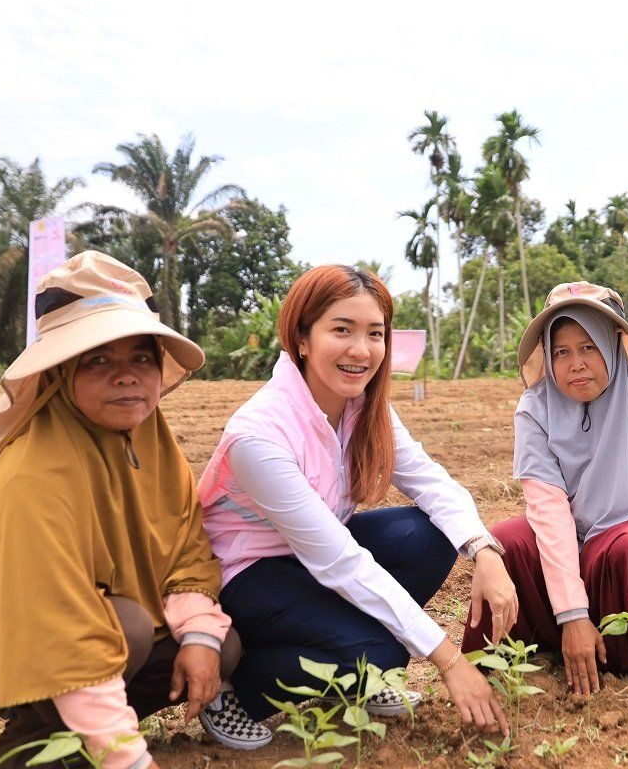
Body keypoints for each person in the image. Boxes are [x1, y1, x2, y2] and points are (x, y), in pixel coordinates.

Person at [0, 251, 270, 769]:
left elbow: (190, 553)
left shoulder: (155, 443)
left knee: (219, 642)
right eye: (99, 359)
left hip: (94, 639)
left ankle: (80, 733)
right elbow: (59, 623)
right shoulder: (37, 470)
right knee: (129, 628)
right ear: (62, 373)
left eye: (140, 358)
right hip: (20, 642)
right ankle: (31, 750)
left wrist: (200, 639)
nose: (126, 377)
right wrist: (130, 759)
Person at [197, 264, 517, 741]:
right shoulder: (259, 435)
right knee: (381, 654)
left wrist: (484, 550)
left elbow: (430, 479)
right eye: (341, 330)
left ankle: (338, 664)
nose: (361, 350)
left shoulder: (364, 406)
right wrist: (448, 659)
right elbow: (339, 561)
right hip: (249, 576)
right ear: (301, 339)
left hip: (308, 563)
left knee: (424, 537)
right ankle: (238, 689)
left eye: (375, 333)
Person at [462, 282, 628, 694]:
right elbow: (548, 511)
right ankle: (512, 654)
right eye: (561, 352)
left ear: (613, 346)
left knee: (627, 548)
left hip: (626, 544)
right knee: (507, 541)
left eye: (588, 347)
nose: (575, 363)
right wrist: (572, 613)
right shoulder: (535, 408)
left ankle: (625, 652)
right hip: (568, 548)